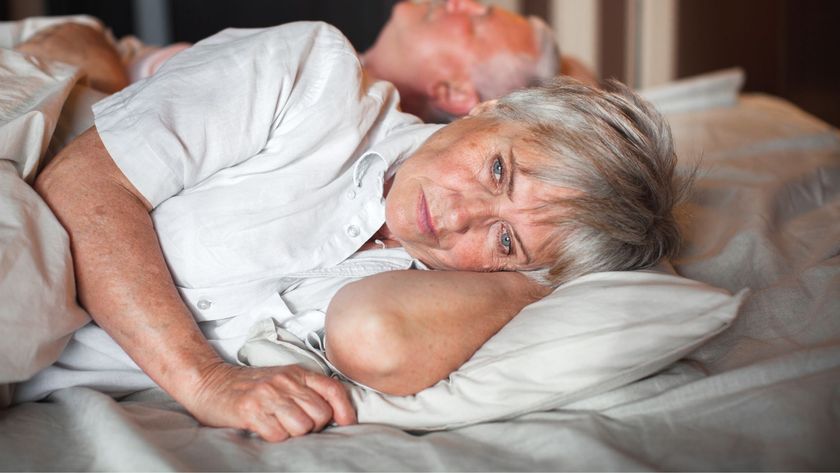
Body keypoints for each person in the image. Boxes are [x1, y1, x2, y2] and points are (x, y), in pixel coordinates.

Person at [31, 17, 682, 442]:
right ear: (490, 109)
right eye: (497, 170)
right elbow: (81, 184)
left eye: (505, 238)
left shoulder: (438, 293)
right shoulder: (315, 76)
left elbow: (377, 336)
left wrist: (541, 279)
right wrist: (203, 379)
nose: (458, 216)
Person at [8, 0, 596, 122]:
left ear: (455, 93)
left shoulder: (340, 113)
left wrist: (100, 65)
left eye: (477, 19)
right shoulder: (324, 48)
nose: (459, 2)